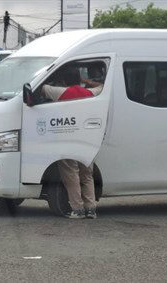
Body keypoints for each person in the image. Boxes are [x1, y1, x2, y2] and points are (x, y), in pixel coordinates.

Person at [41, 67, 103, 219]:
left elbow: (41, 88)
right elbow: (102, 87)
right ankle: (91, 209)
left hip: (68, 140)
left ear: (64, 81)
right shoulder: (90, 93)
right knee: (87, 175)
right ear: (79, 79)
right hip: (88, 140)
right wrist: (87, 82)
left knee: (71, 175)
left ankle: (77, 209)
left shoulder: (60, 92)